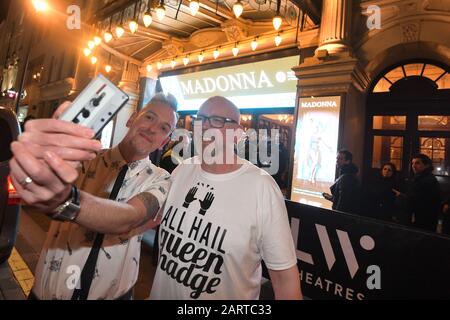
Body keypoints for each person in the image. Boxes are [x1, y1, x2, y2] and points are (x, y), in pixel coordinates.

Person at [8, 93, 178, 300]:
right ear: (131, 118)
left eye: (163, 128)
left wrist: (66, 201)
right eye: (149, 117)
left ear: (165, 142)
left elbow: (131, 216)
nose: (152, 129)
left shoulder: (162, 180)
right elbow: (36, 186)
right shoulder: (85, 159)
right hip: (47, 292)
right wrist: (40, 165)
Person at [149, 96, 302, 300]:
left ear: (238, 134)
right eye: (201, 118)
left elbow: (285, 280)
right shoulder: (182, 170)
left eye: (217, 121)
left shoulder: (262, 188)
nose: (205, 126)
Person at [394, 154, 441, 232]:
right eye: (412, 163)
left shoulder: (426, 180)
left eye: (417, 163)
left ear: (426, 165)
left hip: (423, 219)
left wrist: (401, 197)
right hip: (422, 217)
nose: (413, 166)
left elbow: (418, 200)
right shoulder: (420, 177)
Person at [323, 150, 360, 214]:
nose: (337, 161)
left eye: (340, 159)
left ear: (347, 161)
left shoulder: (346, 177)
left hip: (342, 218)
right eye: (337, 158)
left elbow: (343, 202)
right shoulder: (348, 175)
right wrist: (331, 197)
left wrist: (336, 216)